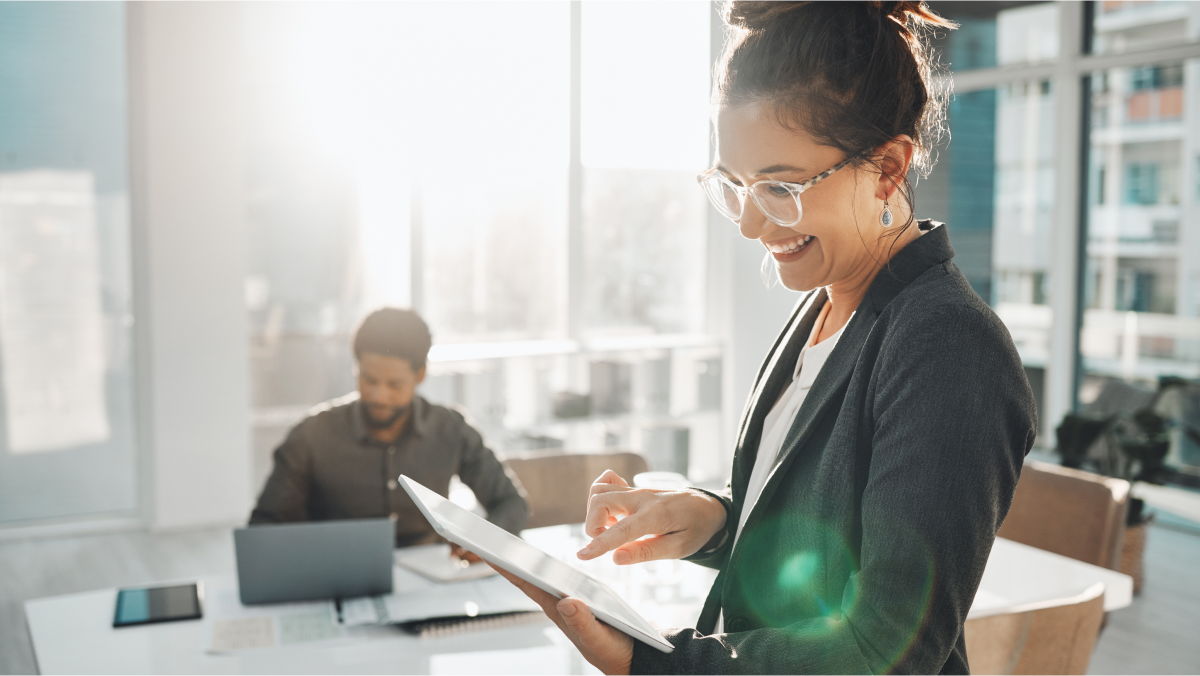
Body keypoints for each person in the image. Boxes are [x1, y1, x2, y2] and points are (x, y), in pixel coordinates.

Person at [493, 1, 1037, 673]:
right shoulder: (825, 306)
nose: (751, 225)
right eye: (736, 186)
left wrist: (655, 665)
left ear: (890, 169)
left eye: (780, 188)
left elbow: (888, 649)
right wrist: (716, 518)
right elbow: (823, 529)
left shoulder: (949, 348)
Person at [250, 307, 528, 558]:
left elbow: (511, 503)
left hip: (431, 578)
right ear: (355, 367)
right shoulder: (311, 435)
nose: (379, 396)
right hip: (339, 573)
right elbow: (263, 527)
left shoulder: (451, 428)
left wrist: (482, 543)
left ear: (420, 375)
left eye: (394, 384)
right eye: (368, 380)